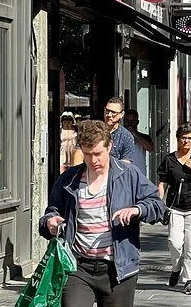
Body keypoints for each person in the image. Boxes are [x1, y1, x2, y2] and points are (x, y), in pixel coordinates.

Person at [39, 120, 165, 306]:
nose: (93, 160)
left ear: (110, 146)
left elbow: (157, 206)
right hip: (77, 267)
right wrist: (50, 222)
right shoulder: (69, 179)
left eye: (98, 153)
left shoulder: (129, 174)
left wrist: (138, 210)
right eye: (87, 154)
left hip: (118, 270)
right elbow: (51, 212)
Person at [156, 124, 191, 295]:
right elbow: (162, 182)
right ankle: (176, 267)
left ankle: (189, 280)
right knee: (174, 242)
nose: (186, 141)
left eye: (190, 138)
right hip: (175, 207)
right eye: (183, 137)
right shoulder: (169, 159)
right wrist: (159, 201)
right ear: (178, 138)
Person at [103, 97, 139, 170]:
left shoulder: (126, 136)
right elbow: (79, 154)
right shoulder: (93, 131)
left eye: (113, 112)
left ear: (121, 114)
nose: (109, 115)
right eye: (107, 111)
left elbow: (125, 164)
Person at [124, 109, 153, 175]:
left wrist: (134, 133)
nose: (130, 123)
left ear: (137, 122)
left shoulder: (144, 137)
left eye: (133, 121)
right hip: (124, 175)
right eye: (127, 121)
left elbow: (150, 148)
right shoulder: (119, 136)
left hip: (139, 175)